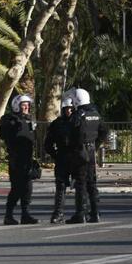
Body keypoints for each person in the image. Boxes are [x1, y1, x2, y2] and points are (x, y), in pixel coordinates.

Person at [66, 87, 109, 223]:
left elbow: (72, 134)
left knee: (80, 183)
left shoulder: (79, 115)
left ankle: (80, 214)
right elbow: (104, 131)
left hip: (80, 151)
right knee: (91, 182)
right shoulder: (95, 114)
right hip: (91, 152)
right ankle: (95, 213)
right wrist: (95, 146)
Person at [0, 93, 39, 225]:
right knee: (16, 188)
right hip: (16, 159)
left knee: (28, 188)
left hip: (28, 158)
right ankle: (8, 215)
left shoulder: (29, 120)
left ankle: (25, 214)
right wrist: (13, 124)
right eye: (23, 104)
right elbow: (3, 133)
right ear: (17, 105)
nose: (26, 107)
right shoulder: (9, 119)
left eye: (28, 104)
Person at [43, 94, 75, 224]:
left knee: (82, 185)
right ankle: (58, 213)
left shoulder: (79, 121)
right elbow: (48, 143)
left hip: (76, 157)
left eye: (71, 108)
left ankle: (83, 212)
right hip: (62, 157)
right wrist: (55, 155)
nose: (69, 111)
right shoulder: (57, 123)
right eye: (66, 108)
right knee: (60, 186)